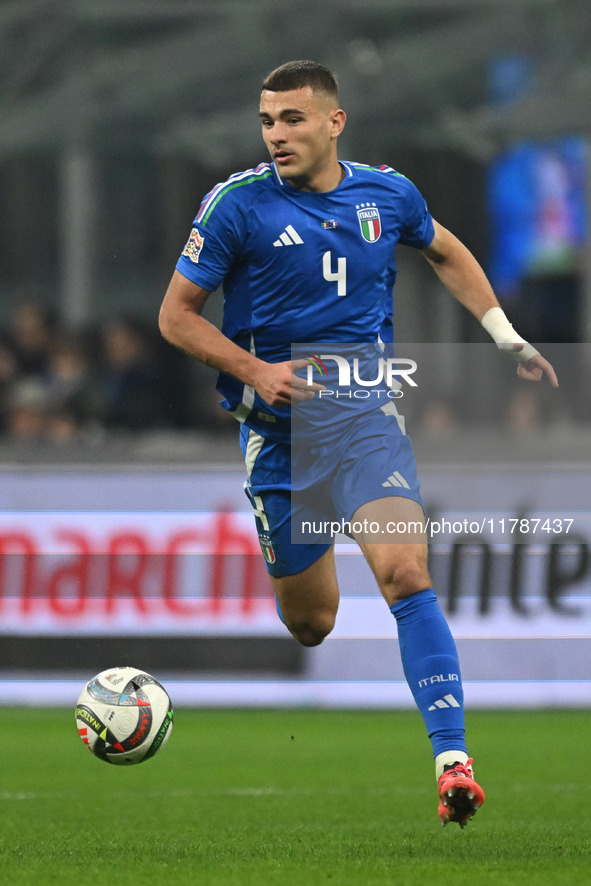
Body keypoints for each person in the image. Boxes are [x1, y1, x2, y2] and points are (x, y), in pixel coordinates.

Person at [159, 60, 558, 828]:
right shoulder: (236, 206)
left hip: (364, 422)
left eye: (293, 120)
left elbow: (444, 249)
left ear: (333, 123)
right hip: (278, 439)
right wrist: (252, 370)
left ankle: (452, 764)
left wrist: (504, 336)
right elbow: (176, 315)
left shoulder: (387, 192)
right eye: (267, 122)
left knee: (406, 574)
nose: (276, 135)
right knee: (311, 622)